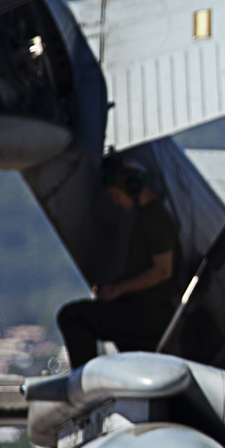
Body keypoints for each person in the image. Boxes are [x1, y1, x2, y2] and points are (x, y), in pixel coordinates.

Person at [56, 157, 185, 367]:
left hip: (148, 316)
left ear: (131, 186)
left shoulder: (155, 218)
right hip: (144, 312)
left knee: (71, 317)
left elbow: (162, 271)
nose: (115, 202)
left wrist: (118, 290)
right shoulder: (147, 216)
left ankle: (84, 385)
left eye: (116, 195)